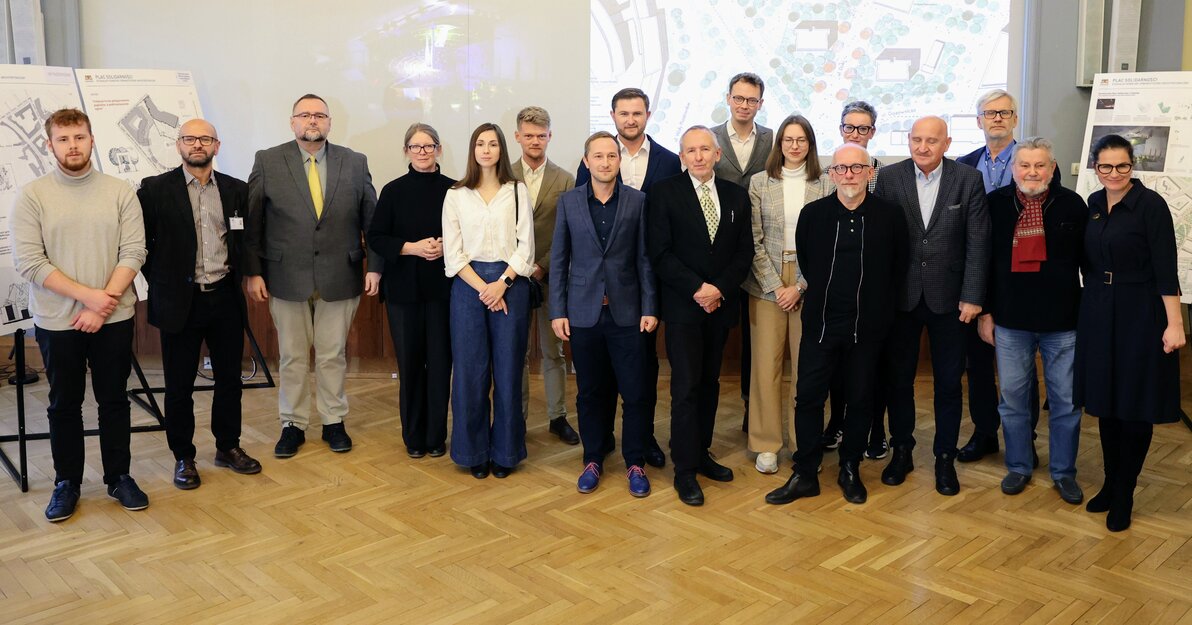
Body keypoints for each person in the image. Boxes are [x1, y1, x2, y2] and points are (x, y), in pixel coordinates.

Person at [11, 108, 147, 521]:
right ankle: (66, 482)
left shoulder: (120, 191)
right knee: (64, 405)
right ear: (50, 145)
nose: (73, 146)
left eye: (80, 137)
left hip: (114, 317)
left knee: (114, 401)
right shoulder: (33, 195)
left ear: (92, 140)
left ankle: (118, 476)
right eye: (64, 139)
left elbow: (134, 251)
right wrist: (91, 299)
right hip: (58, 321)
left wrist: (103, 302)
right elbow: (30, 262)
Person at [765, 143, 907, 505]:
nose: (848, 176)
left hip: (868, 329)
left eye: (856, 169)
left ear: (870, 172)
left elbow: (897, 269)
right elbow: (809, 265)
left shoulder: (890, 216)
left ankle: (849, 468)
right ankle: (805, 472)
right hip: (821, 325)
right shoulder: (814, 215)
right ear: (831, 174)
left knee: (860, 400)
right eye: (840, 169)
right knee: (808, 398)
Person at [245, 94, 381, 458]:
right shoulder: (268, 160)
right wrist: (253, 272)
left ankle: (334, 421)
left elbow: (373, 220)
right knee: (291, 356)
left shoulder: (354, 162)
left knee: (332, 354)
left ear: (329, 122)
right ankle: (293, 424)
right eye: (304, 115)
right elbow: (253, 221)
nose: (312, 121)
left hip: (341, 273)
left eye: (319, 115)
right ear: (292, 122)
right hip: (285, 275)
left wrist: (377, 267)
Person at [138, 118, 261, 490]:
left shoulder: (236, 190)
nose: (197, 145)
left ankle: (228, 447)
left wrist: (250, 274)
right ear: (178, 145)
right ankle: (184, 457)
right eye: (189, 139)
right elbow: (140, 245)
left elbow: (245, 239)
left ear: (216, 146)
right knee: (179, 385)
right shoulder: (155, 189)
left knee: (230, 380)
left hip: (224, 297)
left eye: (204, 139)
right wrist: (163, 280)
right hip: (180, 301)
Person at [873, 116, 990, 496]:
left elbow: (978, 243)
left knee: (948, 384)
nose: (923, 147)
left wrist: (973, 296)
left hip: (951, 301)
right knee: (899, 380)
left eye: (932, 141)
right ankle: (902, 450)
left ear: (947, 142)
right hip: (901, 299)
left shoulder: (968, 179)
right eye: (917, 140)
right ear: (908, 140)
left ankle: (944, 457)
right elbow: (881, 239)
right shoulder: (889, 178)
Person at [1076, 134, 1184, 532]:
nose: (1115, 174)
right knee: (1106, 401)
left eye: (1122, 166)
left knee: (1134, 403)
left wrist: (1174, 323)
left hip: (1142, 310)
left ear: (1132, 165)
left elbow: (1166, 269)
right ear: (1095, 167)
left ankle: (1125, 492)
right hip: (1100, 309)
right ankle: (1108, 482)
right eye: (1106, 167)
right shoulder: (1093, 205)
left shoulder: (1150, 206)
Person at [976, 137, 1086, 504]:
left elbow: (1088, 264)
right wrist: (987, 313)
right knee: (1013, 401)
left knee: (1066, 402)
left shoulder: (1073, 205)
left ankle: (1063, 472)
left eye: (1040, 165)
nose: (1032, 172)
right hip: (1010, 321)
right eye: (1025, 165)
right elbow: (986, 265)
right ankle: (1019, 465)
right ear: (1013, 168)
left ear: (1052, 168)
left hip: (1063, 323)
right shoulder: (995, 205)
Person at [647, 126, 753, 506]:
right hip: (683, 308)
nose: (698, 156)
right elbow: (658, 252)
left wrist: (719, 289)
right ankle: (684, 469)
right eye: (690, 150)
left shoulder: (736, 196)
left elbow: (744, 253)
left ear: (717, 154)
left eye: (705, 149)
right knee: (686, 387)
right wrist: (697, 289)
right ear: (682, 156)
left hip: (719, 308)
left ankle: (702, 453)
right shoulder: (663, 193)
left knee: (710, 384)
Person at [577, 87, 681, 468]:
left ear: (648, 116)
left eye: (637, 113)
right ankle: (601, 442)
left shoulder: (670, 161)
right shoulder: (594, 158)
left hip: (649, 283)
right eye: (624, 113)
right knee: (598, 378)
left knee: (643, 372)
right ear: (613, 115)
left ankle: (645, 439)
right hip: (600, 291)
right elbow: (581, 225)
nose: (631, 119)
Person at [550, 131, 657, 497]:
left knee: (636, 392)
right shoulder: (569, 202)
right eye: (598, 156)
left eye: (612, 156)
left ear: (619, 161)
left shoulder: (638, 202)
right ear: (586, 161)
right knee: (590, 393)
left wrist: (650, 307)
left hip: (628, 315)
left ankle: (635, 463)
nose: (606, 162)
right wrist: (557, 310)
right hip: (583, 314)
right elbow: (560, 259)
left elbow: (645, 259)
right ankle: (592, 459)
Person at [955, 89, 1045, 465]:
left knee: (1021, 365)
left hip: (1019, 277)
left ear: (1014, 120)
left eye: (1004, 112)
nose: (997, 118)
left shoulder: (1030, 163)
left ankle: (1024, 438)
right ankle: (985, 433)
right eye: (989, 113)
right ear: (978, 121)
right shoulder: (962, 164)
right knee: (978, 364)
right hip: (975, 276)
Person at [443, 122, 535, 480]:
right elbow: (453, 255)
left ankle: (506, 452)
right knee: (469, 372)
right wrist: (485, 287)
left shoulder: (516, 191)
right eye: (480, 144)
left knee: (509, 371)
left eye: (493, 144)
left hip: (510, 284)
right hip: (468, 286)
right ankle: (473, 451)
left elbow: (526, 246)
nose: (486, 150)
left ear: (501, 150)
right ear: (472, 150)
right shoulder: (456, 194)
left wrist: (502, 284)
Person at [742, 114, 830, 474]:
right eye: (788, 140)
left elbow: (826, 243)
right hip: (767, 280)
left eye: (802, 140)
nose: (795, 146)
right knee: (766, 366)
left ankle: (804, 441)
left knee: (809, 367)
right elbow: (753, 239)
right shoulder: (760, 183)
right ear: (779, 144)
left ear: (810, 145)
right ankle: (766, 444)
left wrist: (801, 286)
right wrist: (778, 286)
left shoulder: (825, 183)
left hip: (810, 280)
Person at [366, 123, 455, 458]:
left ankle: (436, 438)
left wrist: (447, 246)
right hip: (403, 292)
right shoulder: (393, 190)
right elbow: (376, 237)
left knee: (440, 365)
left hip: (445, 291)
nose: (422, 152)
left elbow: (470, 234)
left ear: (438, 149)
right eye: (415, 147)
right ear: (406, 151)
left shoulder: (456, 190)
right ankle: (414, 438)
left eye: (428, 146)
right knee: (411, 365)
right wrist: (411, 248)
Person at [822, 100, 889, 459]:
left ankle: (876, 430)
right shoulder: (830, 172)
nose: (856, 133)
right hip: (838, 290)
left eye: (863, 128)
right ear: (841, 129)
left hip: (874, 291)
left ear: (873, 132)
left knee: (872, 369)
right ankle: (837, 423)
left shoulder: (886, 175)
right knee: (836, 367)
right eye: (850, 127)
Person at [711, 72, 774, 435]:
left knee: (755, 340)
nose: (744, 105)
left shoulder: (772, 140)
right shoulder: (710, 138)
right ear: (728, 98)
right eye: (739, 98)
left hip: (759, 246)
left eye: (751, 100)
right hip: (719, 250)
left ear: (760, 104)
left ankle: (754, 410)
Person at [512, 106, 579, 445]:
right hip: (512, 279)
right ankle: (517, 419)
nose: (535, 141)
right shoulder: (502, 175)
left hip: (552, 277)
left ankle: (557, 417)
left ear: (550, 136)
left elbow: (567, 232)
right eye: (529, 135)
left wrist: (544, 265)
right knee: (517, 351)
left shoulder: (565, 179)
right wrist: (521, 266)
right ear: (518, 137)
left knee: (554, 351)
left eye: (541, 135)